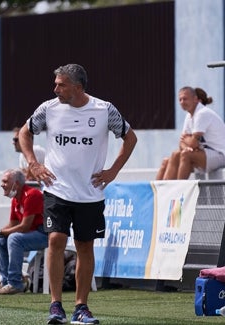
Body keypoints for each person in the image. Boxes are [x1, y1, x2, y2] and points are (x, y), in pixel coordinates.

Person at [19, 63, 137, 324]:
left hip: (90, 194)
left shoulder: (104, 110)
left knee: (85, 246)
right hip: (56, 189)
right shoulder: (48, 108)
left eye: (61, 84)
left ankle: (81, 308)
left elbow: (130, 138)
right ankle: (55, 306)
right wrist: (33, 163)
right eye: (56, 84)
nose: (56, 89)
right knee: (55, 240)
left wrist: (113, 171)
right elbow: (24, 132)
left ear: (78, 86)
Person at [0, 169, 48, 294]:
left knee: (14, 238)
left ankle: (15, 283)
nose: (2, 184)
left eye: (5, 181)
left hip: (45, 235)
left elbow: (24, 227)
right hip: (33, 233)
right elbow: (13, 224)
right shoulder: (16, 199)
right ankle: (5, 282)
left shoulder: (32, 195)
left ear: (16, 184)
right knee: (3, 239)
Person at [155, 87, 225, 180]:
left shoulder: (202, 113)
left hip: (224, 156)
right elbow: (181, 144)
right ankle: (162, 193)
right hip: (205, 153)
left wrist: (189, 143)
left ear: (195, 99)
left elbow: (193, 143)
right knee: (174, 155)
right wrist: (188, 147)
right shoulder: (189, 116)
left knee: (186, 155)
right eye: (180, 99)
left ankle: (178, 190)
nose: (182, 102)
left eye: (185, 99)